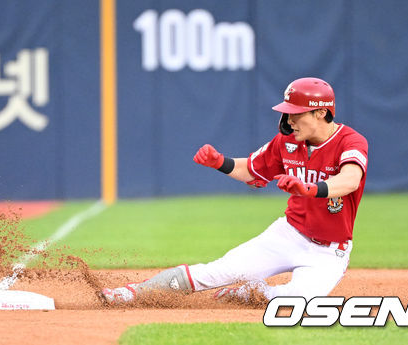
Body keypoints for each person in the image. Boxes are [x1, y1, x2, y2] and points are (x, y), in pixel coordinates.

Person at [101, 77, 369, 305]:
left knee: (299, 301)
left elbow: (350, 180)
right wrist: (220, 162)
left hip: (329, 251)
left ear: (320, 113)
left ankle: (252, 292)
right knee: (218, 272)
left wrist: (311, 188)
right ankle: (132, 292)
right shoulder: (286, 141)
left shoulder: (350, 141)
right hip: (288, 234)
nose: (289, 119)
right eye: (287, 112)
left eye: (295, 113)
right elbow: (252, 170)